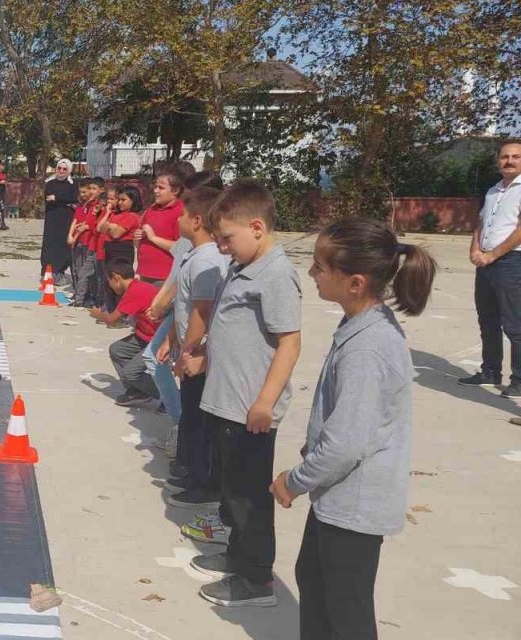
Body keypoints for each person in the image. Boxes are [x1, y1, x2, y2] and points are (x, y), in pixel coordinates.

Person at [271, 217, 436, 640]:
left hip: (354, 506)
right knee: (315, 581)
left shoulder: (369, 347)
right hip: (338, 499)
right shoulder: (359, 325)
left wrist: (295, 481)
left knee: (346, 612)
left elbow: (345, 444)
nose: (312, 273)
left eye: (321, 268)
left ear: (356, 282)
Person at [185, 179, 301, 608]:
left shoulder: (275, 275)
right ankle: (237, 555)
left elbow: (289, 341)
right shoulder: (242, 267)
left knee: (250, 497)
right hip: (225, 401)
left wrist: (265, 401)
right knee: (232, 490)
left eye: (228, 239)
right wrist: (205, 359)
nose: (224, 247)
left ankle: (255, 579)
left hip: (249, 409)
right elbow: (232, 332)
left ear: (256, 226)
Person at [159, 186, 227, 512]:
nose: (179, 219)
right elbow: (182, 306)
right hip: (187, 349)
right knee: (190, 417)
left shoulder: (208, 260)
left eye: (184, 214)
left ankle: (203, 481)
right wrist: (171, 339)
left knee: (199, 423)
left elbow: (202, 312)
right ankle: (190, 472)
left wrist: (187, 353)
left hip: (198, 357)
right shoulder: (194, 255)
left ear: (197, 220)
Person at [460, 139, 521, 397]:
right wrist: (475, 250)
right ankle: (490, 371)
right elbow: (481, 223)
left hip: (511, 262)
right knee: (487, 319)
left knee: (514, 323)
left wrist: (493, 255)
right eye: (505, 156)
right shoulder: (493, 190)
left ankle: (518, 380)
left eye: (515, 157)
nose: (509, 161)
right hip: (485, 262)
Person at [90, 258, 161, 407]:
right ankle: (137, 391)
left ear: (116, 277)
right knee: (117, 350)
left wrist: (98, 314)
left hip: (158, 340)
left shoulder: (135, 291)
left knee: (131, 372)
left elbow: (112, 320)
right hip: (144, 335)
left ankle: (170, 398)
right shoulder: (136, 287)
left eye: (109, 281)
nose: (109, 286)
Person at [97, 184, 143, 315]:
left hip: (121, 250)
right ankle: (112, 310)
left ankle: (122, 313)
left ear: (133, 201)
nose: (120, 203)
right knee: (109, 281)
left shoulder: (132, 216)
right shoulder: (115, 214)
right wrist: (109, 220)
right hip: (110, 249)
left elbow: (117, 233)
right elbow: (100, 228)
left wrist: (110, 227)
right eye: (119, 199)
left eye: (124, 200)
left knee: (120, 282)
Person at [136, 170, 185, 285]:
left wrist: (153, 238)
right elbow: (139, 239)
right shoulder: (152, 209)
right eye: (155, 187)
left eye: (161, 188)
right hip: (145, 272)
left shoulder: (181, 212)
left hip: (164, 276)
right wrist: (139, 237)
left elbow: (181, 247)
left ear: (175, 190)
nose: (156, 191)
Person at [67, 178, 104, 307]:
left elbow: (90, 225)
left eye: (92, 189)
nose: (89, 192)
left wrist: (77, 234)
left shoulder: (98, 206)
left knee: (89, 273)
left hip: (89, 242)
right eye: (89, 189)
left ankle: (88, 297)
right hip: (81, 241)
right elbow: (77, 221)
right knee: (79, 270)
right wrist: (72, 236)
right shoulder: (84, 206)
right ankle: (80, 295)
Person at [41, 159, 79, 281]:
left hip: (66, 218)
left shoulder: (73, 185)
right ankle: (46, 270)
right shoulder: (50, 183)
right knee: (50, 243)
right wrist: (65, 201)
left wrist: (57, 198)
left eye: (64, 169)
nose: (61, 171)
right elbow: (48, 197)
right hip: (52, 217)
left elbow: (73, 197)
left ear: (69, 171)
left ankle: (59, 270)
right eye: (59, 168)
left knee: (63, 244)